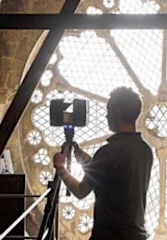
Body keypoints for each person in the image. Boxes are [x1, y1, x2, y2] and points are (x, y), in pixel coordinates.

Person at [54, 86, 153, 240]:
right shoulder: (145, 150)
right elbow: (115, 177)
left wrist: (60, 168)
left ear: (117, 112)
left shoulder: (108, 152)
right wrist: (85, 159)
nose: (107, 116)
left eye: (108, 111)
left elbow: (81, 191)